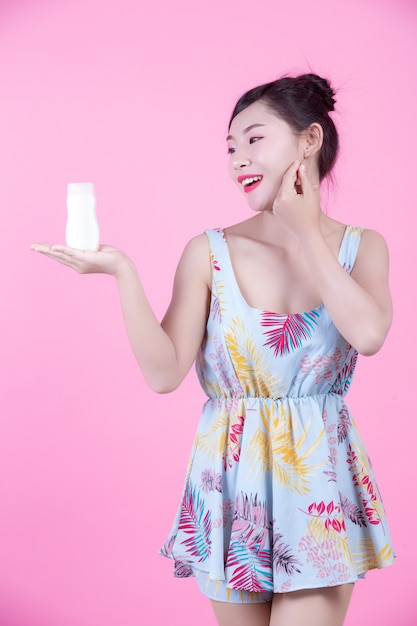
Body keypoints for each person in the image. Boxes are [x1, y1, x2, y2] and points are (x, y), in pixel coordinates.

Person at [31, 73, 395, 626]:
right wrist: (124, 274)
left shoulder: (362, 248)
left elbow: (368, 335)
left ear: (310, 141)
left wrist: (303, 232)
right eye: (230, 147)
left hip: (318, 487)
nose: (237, 160)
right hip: (231, 485)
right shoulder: (209, 252)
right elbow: (163, 374)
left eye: (254, 139)